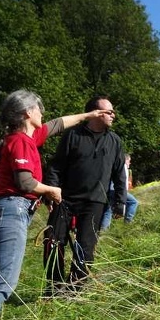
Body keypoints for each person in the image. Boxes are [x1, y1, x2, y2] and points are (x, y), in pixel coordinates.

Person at [0, 90, 112, 320]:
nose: (43, 114)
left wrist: (89, 114)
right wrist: (51, 190)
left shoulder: (26, 137)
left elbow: (59, 124)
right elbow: (25, 181)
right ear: (27, 113)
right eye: (38, 109)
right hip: (10, 212)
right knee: (2, 282)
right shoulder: (20, 140)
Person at [45, 95, 126, 294]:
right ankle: (54, 287)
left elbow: (119, 174)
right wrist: (52, 191)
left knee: (86, 247)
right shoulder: (73, 135)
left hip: (95, 202)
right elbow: (56, 166)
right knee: (53, 241)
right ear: (95, 113)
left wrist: (119, 202)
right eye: (108, 111)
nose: (113, 115)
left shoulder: (115, 141)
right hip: (65, 199)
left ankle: (75, 290)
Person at [100, 154, 139, 231]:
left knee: (109, 210)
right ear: (126, 160)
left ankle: (103, 230)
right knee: (134, 202)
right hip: (117, 190)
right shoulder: (123, 167)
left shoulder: (115, 165)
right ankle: (128, 221)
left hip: (110, 190)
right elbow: (122, 181)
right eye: (129, 161)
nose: (129, 163)